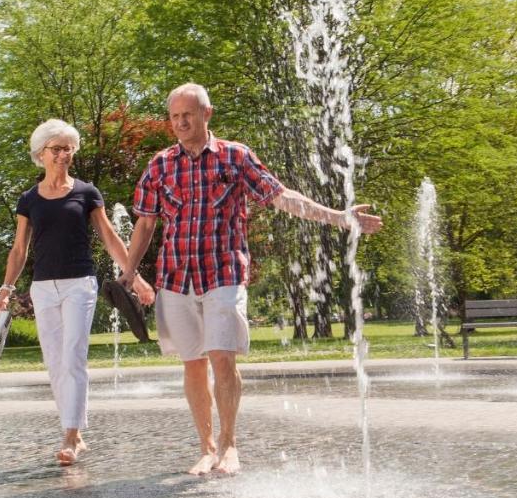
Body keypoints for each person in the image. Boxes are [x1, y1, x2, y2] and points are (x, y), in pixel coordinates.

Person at [120, 83, 382, 476]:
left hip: (223, 273)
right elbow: (144, 224)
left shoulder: (235, 156)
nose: (180, 123)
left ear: (207, 114)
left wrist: (340, 217)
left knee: (222, 358)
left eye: (188, 114)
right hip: (175, 277)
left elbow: (282, 197)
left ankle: (229, 445)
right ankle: (206, 447)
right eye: (174, 116)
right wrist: (128, 272)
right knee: (192, 364)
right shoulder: (160, 164)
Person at [0, 118, 154, 466]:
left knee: (73, 355)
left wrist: (134, 277)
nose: (65, 155)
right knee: (54, 362)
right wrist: (7, 288)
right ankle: (76, 432)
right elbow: (19, 250)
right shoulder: (29, 199)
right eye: (58, 149)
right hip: (42, 288)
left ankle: (69, 436)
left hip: (79, 284)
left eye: (69, 148)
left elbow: (110, 237)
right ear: (41, 154)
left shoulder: (86, 192)